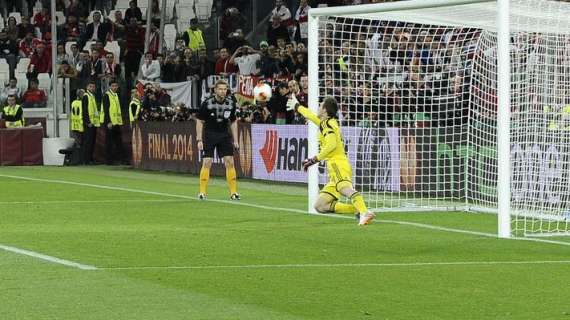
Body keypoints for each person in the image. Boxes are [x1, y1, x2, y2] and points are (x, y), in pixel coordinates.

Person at [286, 95, 375, 225]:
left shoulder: (327, 124)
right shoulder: (326, 123)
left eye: (321, 105)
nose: (318, 107)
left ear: (325, 110)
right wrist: (297, 106)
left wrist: (314, 159)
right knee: (320, 206)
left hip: (338, 164)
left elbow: (331, 145)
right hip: (335, 167)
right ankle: (359, 209)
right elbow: (311, 115)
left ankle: (364, 212)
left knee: (346, 190)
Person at [196, 79, 240, 200]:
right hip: (209, 135)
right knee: (207, 162)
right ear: (215, 90)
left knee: (230, 162)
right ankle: (202, 192)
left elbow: (233, 121)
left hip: (224, 135)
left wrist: (236, 140)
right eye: (220, 89)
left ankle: (233, 192)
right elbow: (199, 120)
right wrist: (199, 139)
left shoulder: (231, 103)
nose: (223, 91)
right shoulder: (207, 103)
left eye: (225, 89)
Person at [100, 79, 125, 165]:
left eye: (116, 86)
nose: (114, 87)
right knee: (109, 142)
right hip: (110, 122)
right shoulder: (107, 95)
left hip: (116, 122)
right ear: (110, 86)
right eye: (113, 86)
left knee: (118, 141)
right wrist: (108, 122)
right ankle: (109, 160)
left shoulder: (116, 95)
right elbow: (106, 110)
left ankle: (121, 159)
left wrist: (119, 121)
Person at [82, 81, 100, 164]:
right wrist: (87, 122)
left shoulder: (92, 96)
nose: (92, 88)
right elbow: (85, 110)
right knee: (88, 142)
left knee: (92, 141)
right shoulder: (86, 96)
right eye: (90, 86)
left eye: (93, 87)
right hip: (89, 123)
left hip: (94, 122)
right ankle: (86, 159)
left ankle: (90, 158)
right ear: (87, 87)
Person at [70, 89, 86, 161]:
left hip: (74, 125)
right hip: (80, 125)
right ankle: (80, 159)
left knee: (76, 143)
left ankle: (76, 159)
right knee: (81, 143)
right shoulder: (82, 103)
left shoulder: (73, 102)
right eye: (83, 94)